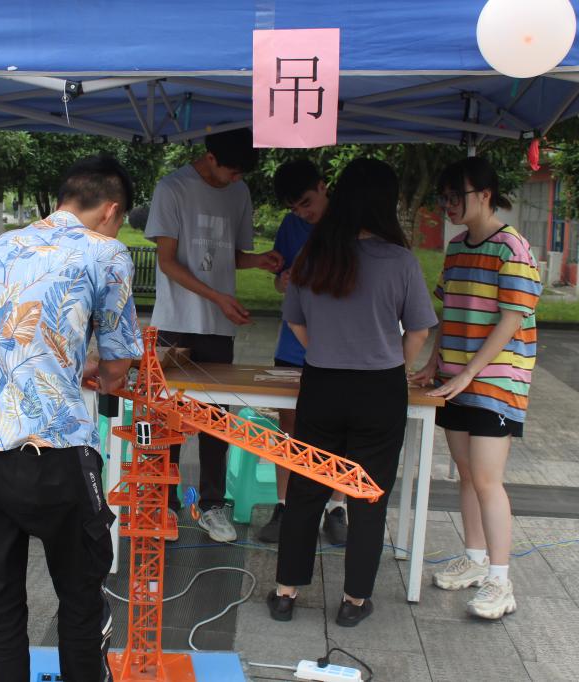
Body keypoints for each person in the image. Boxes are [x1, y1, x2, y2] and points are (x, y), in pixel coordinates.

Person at [0, 156, 143, 682]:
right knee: (80, 595)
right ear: (111, 210)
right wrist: (97, 371)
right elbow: (118, 367)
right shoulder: (106, 252)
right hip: (53, 451)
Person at [269, 158, 436, 627]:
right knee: (367, 497)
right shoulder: (400, 261)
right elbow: (419, 330)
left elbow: (294, 320)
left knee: (306, 490)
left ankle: (285, 593)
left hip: (321, 383)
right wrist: (394, 363)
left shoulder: (314, 254)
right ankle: (353, 601)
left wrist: (323, 349)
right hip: (379, 389)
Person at [411, 157, 541, 620]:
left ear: (484, 195)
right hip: (456, 379)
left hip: (498, 381)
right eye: (443, 197)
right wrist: (435, 364)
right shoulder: (456, 247)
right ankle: (475, 558)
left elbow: (512, 319)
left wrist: (469, 374)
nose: (447, 205)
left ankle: (500, 582)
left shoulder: (512, 248)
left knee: (487, 479)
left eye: (455, 196)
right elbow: (449, 312)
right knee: (466, 475)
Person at [145, 127, 282, 543]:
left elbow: (228, 254)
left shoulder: (238, 192)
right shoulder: (172, 189)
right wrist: (217, 297)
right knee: (167, 418)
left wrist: (259, 261)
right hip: (175, 322)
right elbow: (167, 261)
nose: (236, 179)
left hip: (218, 326)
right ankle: (164, 504)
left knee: (216, 421)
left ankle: (211, 506)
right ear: (209, 157)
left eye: (242, 174)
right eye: (231, 171)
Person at [257, 159, 347, 547]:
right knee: (289, 427)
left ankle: (337, 508)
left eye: (307, 203)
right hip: (294, 345)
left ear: (324, 186)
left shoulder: (348, 223)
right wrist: (284, 280)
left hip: (340, 347)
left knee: (339, 428)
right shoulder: (291, 227)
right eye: (295, 208)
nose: (303, 213)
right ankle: (285, 505)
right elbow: (280, 283)